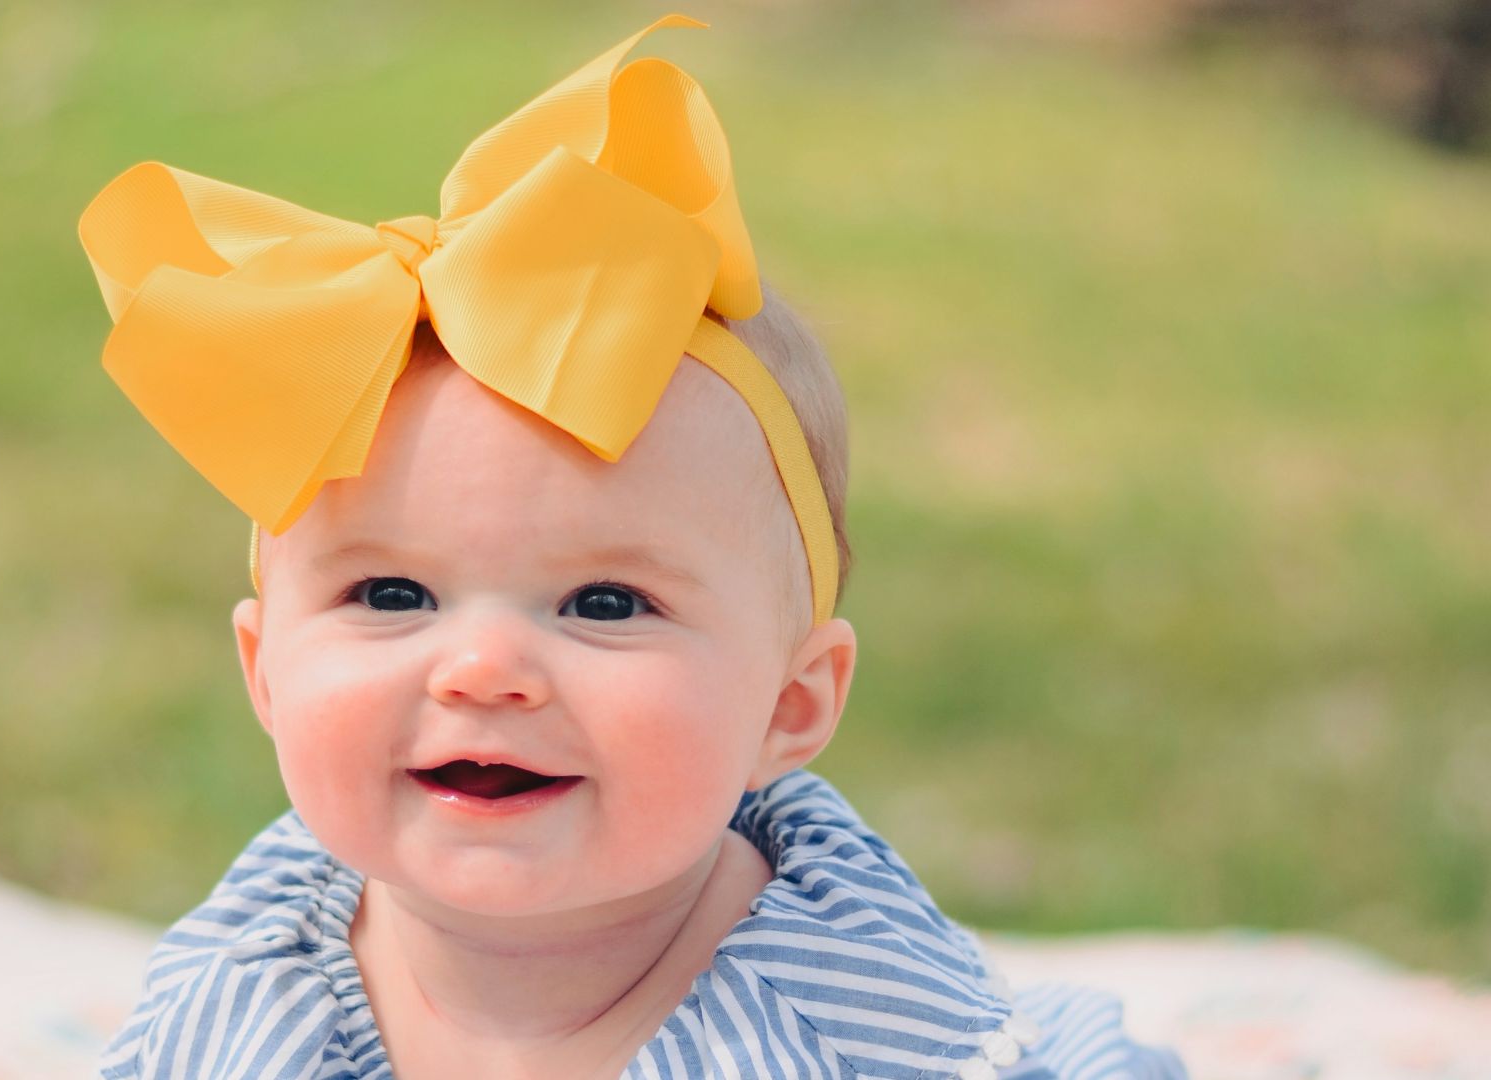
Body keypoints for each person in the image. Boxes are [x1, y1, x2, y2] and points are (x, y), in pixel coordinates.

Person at [77, 15, 1186, 1080]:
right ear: (266, 671)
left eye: (603, 604)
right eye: (392, 591)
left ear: (789, 707)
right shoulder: (252, 973)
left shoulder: (850, 1030)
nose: (483, 670)